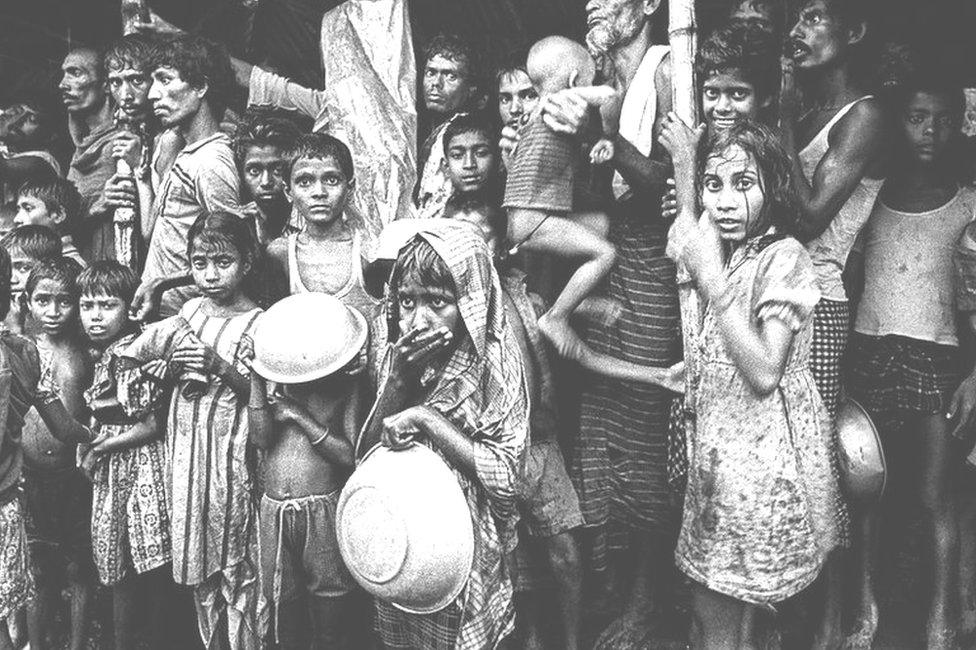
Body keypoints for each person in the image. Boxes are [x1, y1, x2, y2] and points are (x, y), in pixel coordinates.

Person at [666, 119, 844, 649]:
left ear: (774, 188)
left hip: (760, 468)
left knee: (720, 611)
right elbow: (692, 242)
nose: (724, 202)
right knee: (719, 610)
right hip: (723, 456)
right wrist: (683, 163)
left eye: (744, 184)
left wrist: (714, 286)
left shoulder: (783, 257)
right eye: (713, 185)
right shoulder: (725, 251)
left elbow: (766, 371)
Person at [846, 78, 976, 649]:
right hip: (870, 349)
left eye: (944, 119)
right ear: (899, 122)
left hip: (936, 355)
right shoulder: (869, 192)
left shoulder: (969, 201)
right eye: (919, 117)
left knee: (932, 495)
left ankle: (943, 613)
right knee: (865, 487)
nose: (931, 131)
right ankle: (864, 607)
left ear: (962, 123)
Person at [360, 223, 528, 649]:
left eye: (438, 302)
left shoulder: (495, 369)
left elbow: (507, 474)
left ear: (471, 301)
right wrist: (398, 383)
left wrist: (426, 418)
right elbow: (365, 459)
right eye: (407, 302)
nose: (419, 320)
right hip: (401, 539)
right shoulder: (399, 357)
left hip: (466, 548)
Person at [122, 212, 267, 648]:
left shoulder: (259, 323)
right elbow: (145, 363)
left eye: (222, 262)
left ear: (247, 262)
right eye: (200, 263)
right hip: (187, 455)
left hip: (231, 455)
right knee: (199, 561)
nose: (210, 274)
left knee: (238, 566)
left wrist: (220, 366)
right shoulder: (188, 312)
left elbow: (266, 399)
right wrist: (168, 368)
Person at [447, 195, 585, 650]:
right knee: (503, 560)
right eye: (459, 238)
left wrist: (547, 409)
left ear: (501, 245)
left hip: (539, 444)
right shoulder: (446, 310)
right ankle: (525, 637)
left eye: (481, 237)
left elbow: (547, 358)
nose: (472, 250)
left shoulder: (524, 296)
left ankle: (573, 641)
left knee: (564, 551)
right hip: (484, 452)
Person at [779, 0, 885, 418]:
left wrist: (783, 124)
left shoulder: (865, 116)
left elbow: (808, 219)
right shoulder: (807, 110)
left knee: (808, 444)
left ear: (853, 33)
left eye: (813, 18)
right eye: (795, 20)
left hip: (818, 301)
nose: (796, 32)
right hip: (777, 288)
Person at [239, 296, 364, 649]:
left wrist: (299, 417)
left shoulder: (344, 387)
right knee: (283, 615)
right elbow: (260, 438)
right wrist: (256, 374)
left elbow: (349, 455)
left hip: (322, 511)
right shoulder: (278, 385)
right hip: (275, 512)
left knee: (328, 620)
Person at [503, 35, 619, 359]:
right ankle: (557, 317)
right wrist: (609, 135)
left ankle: (576, 299)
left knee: (600, 224)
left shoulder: (537, 114)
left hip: (527, 217)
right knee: (605, 254)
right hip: (532, 221)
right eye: (590, 77)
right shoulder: (560, 101)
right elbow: (609, 96)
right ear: (574, 81)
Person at [78, 261, 171, 650]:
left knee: (142, 569)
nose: (95, 316)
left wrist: (99, 446)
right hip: (112, 468)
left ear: (129, 309)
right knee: (117, 568)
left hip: (137, 466)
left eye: (107, 305)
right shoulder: (103, 353)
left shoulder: (132, 354)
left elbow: (151, 425)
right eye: (87, 306)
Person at [139, 33, 242, 318]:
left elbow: (232, 254)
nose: (151, 94)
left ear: (200, 86)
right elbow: (155, 231)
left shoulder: (211, 161)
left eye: (165, 79)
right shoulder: (187, 152)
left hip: (194, 318)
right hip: (168, 314)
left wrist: (163, 284)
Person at [19, 258, 94, 650]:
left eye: (63, 301)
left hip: (75, 476)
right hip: (30, 476)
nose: (52, 311)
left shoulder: (85, 354)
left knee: (80, 568)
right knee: (37, 570)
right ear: (26, 301)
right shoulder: (22, 350)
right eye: (42, 300)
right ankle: (37, 643)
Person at [265, 133, 380, 322]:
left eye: (331, 180)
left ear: (349, 188)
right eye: (305, 182)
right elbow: (275, 322)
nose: (319, 192)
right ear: (288, 191)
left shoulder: (369, 251)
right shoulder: (281, 254)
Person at [60, 46, 123, 262]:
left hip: (114, 257)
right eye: (64, 74)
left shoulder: (122, 141)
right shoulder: (81, 147)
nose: (63, 84)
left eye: (75, 73)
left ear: (106, 84)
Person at [416, 34, 486, 219]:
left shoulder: (469, 135)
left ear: (471, 88)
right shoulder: (430, 130)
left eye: (450, 76)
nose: (436, 84)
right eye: (431, 72)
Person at [234, 112, 302, 245]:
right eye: (254, 171)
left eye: (278, 170)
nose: (266, 182)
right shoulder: (238, 224)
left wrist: (268, 243)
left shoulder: (312, 221)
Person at [1, 226, 62, 334]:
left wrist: (15, 329)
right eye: (6, 269)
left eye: (24, 268)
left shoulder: (54, 315)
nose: (11, 279)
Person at [14, 178, 86, 267]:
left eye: (28, 209)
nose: (16, 219)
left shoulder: (69, 266)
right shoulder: (40, 257)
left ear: (58, 215)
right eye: (18, 210)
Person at [441, 113, 501, 201]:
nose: (469, 164)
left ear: (499, 160)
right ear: (445, 166)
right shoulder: (436, 213)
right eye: (457, 155)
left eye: (481, 153)